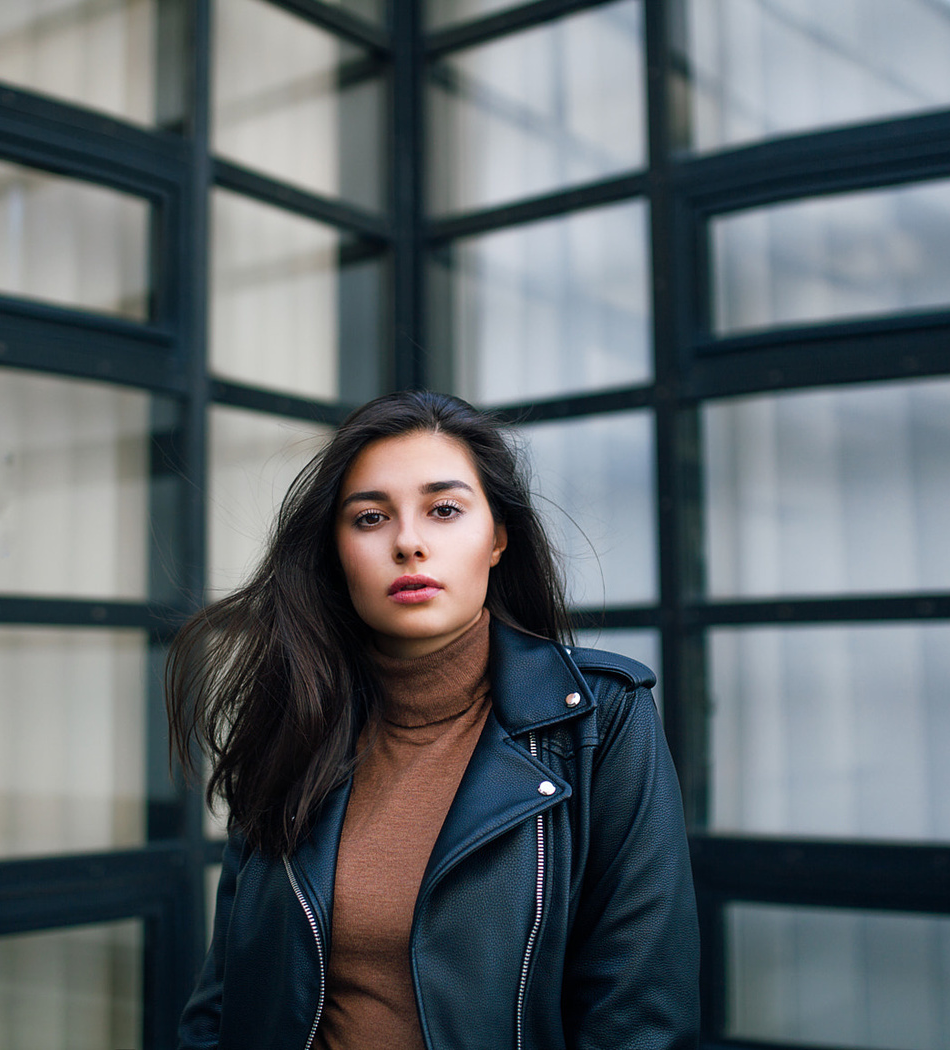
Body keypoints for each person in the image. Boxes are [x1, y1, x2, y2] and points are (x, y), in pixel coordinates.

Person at [167, 390, 699, 1050]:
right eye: (369, 519)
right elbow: (225, 999)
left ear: (498, 537)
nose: (409, 543)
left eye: (444, 510)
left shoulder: (599, 721)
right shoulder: (296, 720)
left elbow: (641, 1014)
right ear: (336, 551)